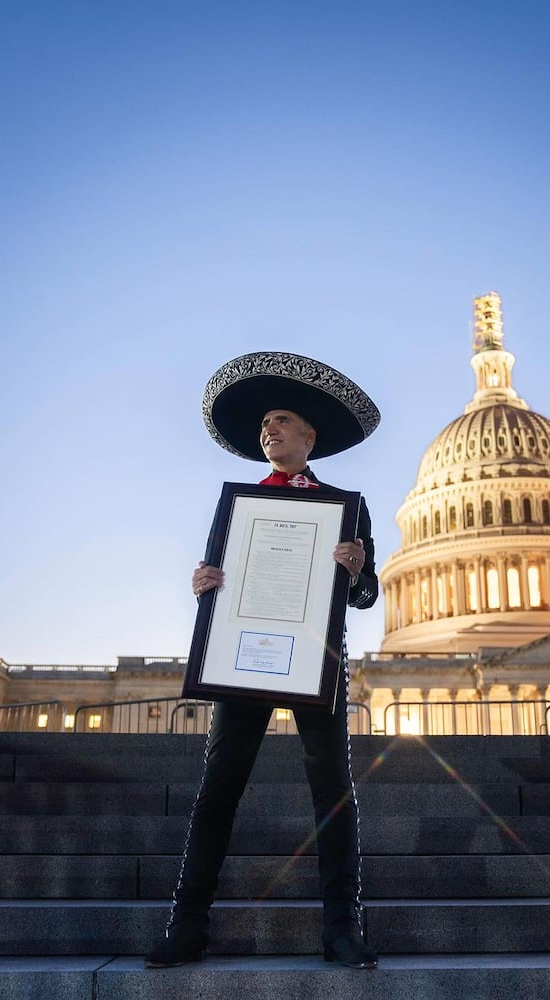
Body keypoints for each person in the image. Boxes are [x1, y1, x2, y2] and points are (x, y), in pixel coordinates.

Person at [146, 351, 381, 971]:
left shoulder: (346, 507)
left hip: (317, 660)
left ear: (309, 435)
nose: (268, 431)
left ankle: (342, 928)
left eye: (280, 421)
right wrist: (203, 582)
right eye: (263, 426)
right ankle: (186, 925)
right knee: (217, 790)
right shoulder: (239, 505)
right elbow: (219, 580)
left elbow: (365, 594)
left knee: (333, 791)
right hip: (241, 663)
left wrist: (356, 569)